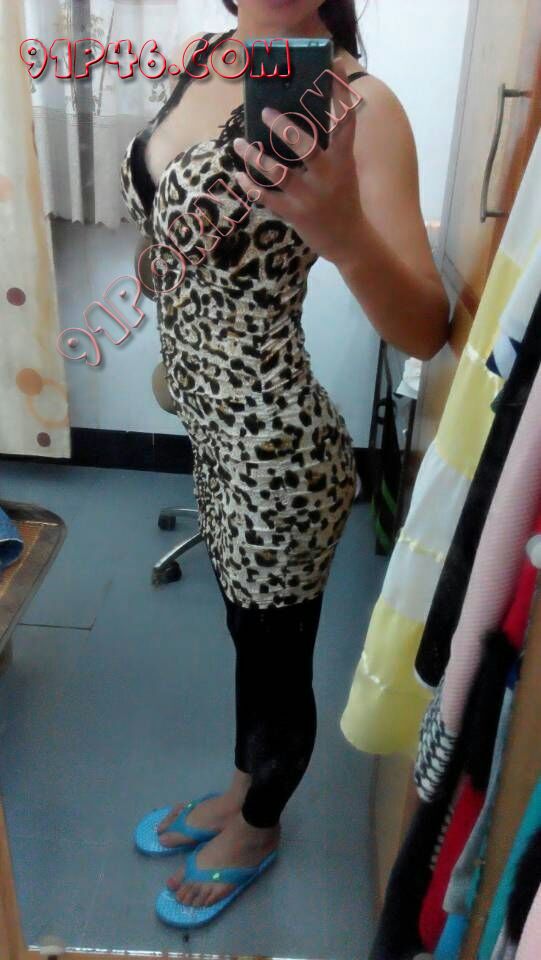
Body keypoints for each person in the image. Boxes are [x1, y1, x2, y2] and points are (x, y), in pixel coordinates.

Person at [120, 0, 450, 924]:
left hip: (275, 451)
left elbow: (424, 327)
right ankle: (240, 787)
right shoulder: (206, 56)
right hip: (211, 431)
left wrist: (342, 231)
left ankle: (259, 825)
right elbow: (172, 215)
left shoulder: (356, 103)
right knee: (247, 639)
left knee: (276, 662)